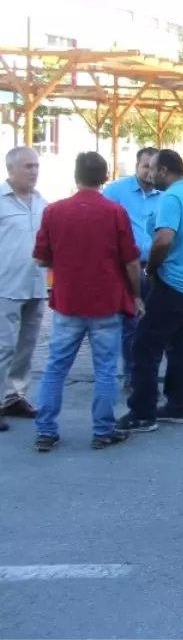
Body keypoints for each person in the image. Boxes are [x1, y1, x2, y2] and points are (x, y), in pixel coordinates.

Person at [31, 152, 144, 451]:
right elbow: (131, 262)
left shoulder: (54, 211)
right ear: (105, 177)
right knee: (106, 369)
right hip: (106, 302)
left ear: (76, 176)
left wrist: (66, 264)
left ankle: (45, 431)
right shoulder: (115, 212)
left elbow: (41, 257)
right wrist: (136, 295)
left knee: (56, 367)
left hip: (67, 302)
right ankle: (103, 430)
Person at [117, 150, 183, 434]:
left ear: (164, 171)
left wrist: (150, 270)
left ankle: (143, 412)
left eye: (154, 169)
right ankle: (179, 406)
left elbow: (163, 240)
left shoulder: (171, 197)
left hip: (175, 284)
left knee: (144, 345)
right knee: (180, 347)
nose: (149, 174)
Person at [102, 146, 161, 391]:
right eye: (145, 166)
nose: (150, 172)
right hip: (126, 269)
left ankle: (148, 375)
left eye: (154, 167)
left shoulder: (167, 194)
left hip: (157, 268)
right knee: (131, 325)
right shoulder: (115, 192)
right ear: (137, 166)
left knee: (154, 325)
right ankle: (133, 376)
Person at [0, 146, 48, 432]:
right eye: (28, 167)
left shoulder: (42, 202)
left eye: (36, 166)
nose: (34, 172)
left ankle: (14, 396)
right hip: (5, 284)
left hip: (36, 285)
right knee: (2, 347)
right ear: (11, 170)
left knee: (26, 346)